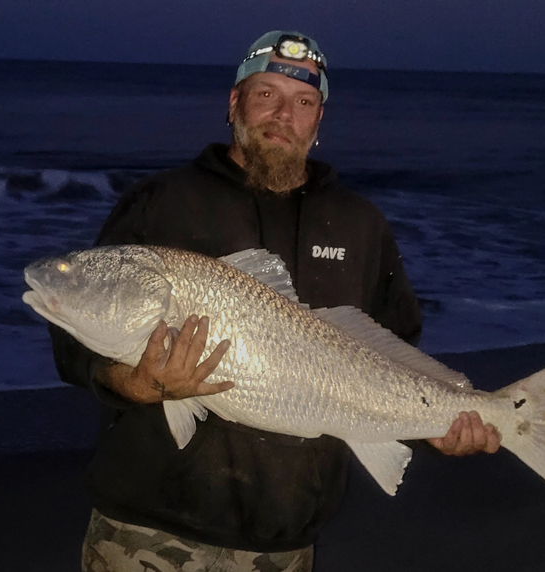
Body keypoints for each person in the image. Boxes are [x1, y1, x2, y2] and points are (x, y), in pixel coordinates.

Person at [50, 30, 500, 572]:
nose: (284, 114)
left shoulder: (361, 224)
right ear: (234, 103)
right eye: (267, 94)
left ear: (318, 121)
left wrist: (439, 429)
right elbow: (72, 344)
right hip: (145, 530)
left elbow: (395, 352)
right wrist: (134, 383)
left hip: (285, 544)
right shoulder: (160, 202)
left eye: (303, 102)